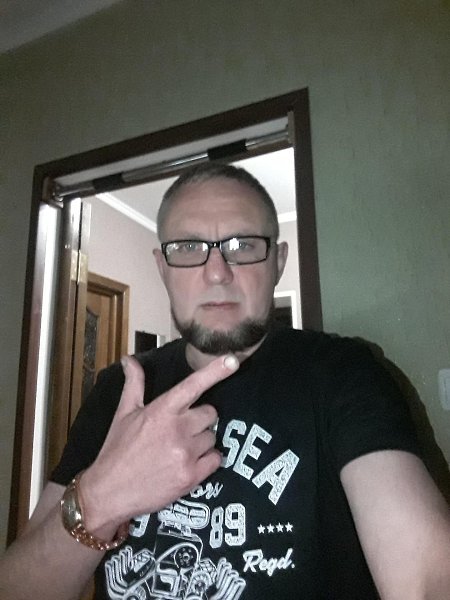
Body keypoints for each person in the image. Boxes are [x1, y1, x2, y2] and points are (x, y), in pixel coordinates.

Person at [1, 163, 449, 600]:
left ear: (278, 262)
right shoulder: (118, 390)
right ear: (162, 268)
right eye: (188, 246)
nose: (217, 272)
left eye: (242, 244)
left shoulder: (344, 372)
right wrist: (102, 498)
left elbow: (425, 577)